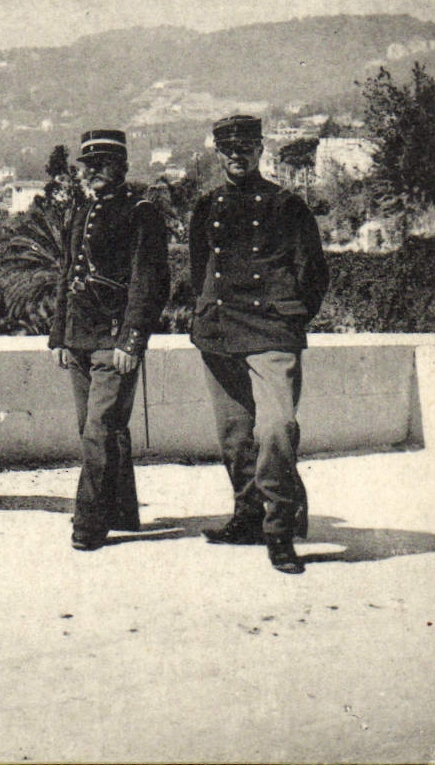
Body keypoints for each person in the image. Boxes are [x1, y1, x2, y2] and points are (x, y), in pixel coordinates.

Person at [189, 114, 328, 575]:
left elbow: (314, 274)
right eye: (228, 147)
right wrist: (207, 312)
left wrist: (288, 319)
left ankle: (279, 530)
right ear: (217, 152)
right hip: (221, 331)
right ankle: (248, 516)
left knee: (276, 429)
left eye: (245, 146)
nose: (236, 155)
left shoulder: (286, 206)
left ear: (260, 149)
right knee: (235, 437)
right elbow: (199, 269)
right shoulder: (207, 206)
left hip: (271, 332)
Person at [48, 130, 169, 551]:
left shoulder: (141, 213)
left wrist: (131, 342)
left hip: (114, 338)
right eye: (88, 164)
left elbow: (148, 282)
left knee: (98, 430)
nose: (93, 172)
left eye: (103, 164)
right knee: (99, 427)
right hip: (80, 336)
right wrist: (60, 336)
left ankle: (89, 523)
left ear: (122, 167)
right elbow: (68, 275)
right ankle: (122, 511)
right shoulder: (82, 211)